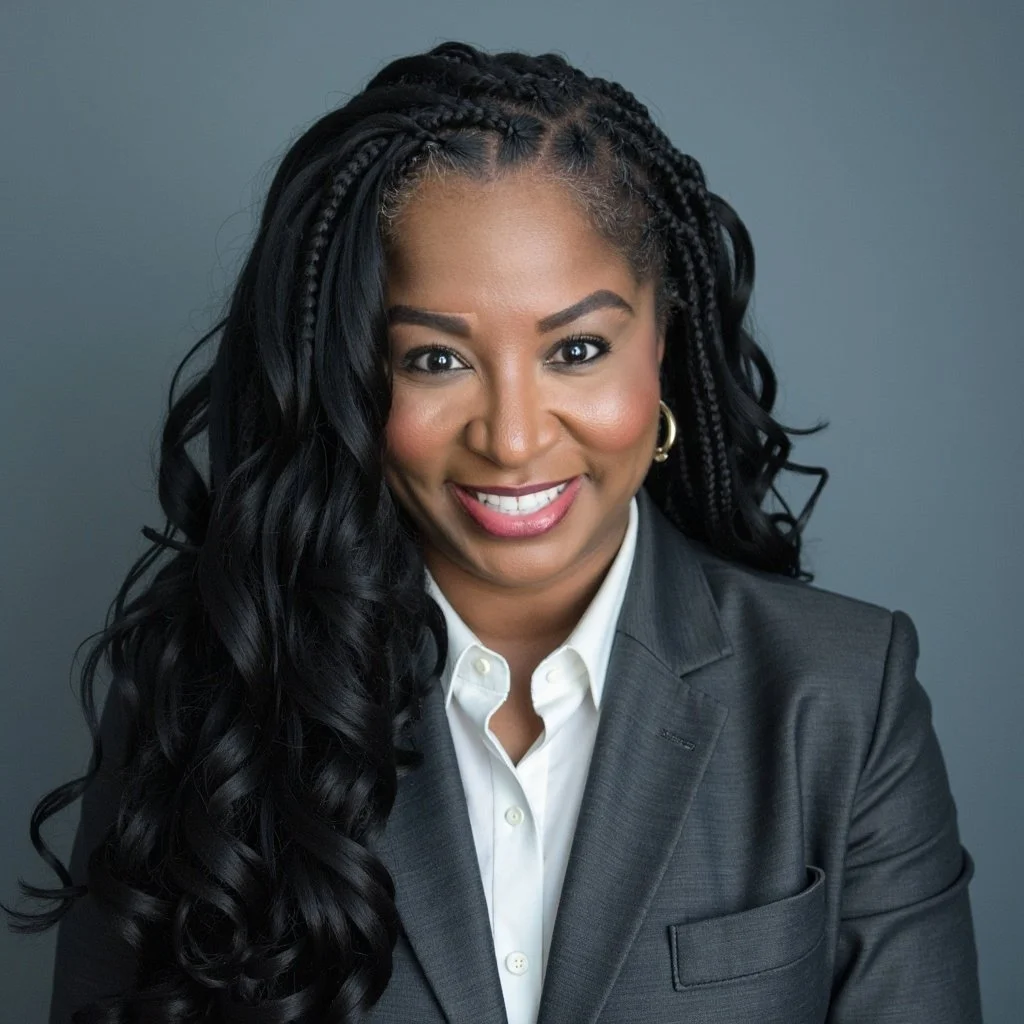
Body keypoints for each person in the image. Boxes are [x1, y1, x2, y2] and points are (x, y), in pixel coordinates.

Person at [5, 40, 982, 1024]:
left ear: (666, 344)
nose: (512, 437)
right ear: (355, 376)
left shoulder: (844, 699)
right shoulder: (206, 692)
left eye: (578, 349)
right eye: (434, 358)